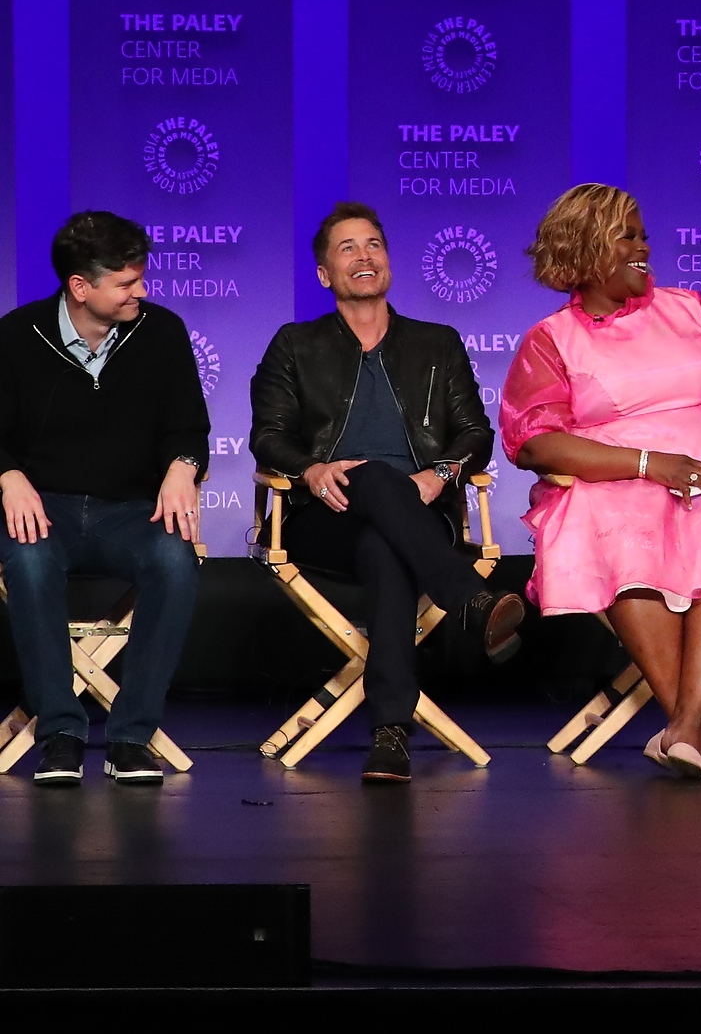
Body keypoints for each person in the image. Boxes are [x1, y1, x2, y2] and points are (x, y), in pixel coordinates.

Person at [499, 184, 701, 776]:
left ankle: (682, 726)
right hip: (614, 482)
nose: (643, 248)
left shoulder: (687, 309)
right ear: (583, 249)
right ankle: (691, 726)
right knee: (624, 540)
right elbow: (536, 441)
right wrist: (651, 464)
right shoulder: (552, 339)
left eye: (643, 234)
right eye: (626, 236)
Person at [249, 204, 526, 784]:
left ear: (389, 262)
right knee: (372, 477)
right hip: (327, 516)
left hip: (422, 512)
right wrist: (312, 471)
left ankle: (390, 734)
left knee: (385, 544)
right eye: (347, 247)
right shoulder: (295, 345)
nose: (364, 255)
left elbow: (475, 433)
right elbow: (267, 437)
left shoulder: (436, 343)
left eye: (374, 244)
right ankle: (469, 598)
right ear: (325, 274)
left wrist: (437, 476)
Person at [0, 211, 208, 786]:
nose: (141, 291)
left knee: (174, 559)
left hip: (131, 510)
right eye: (126, 282)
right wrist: (8, 474)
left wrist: (183, 467)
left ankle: (131, 736)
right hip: (48, 508)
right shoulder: (18, 336)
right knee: (31, 560)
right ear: (80, 288)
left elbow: (189, 428)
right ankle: (61, 734)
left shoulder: (162, 332)